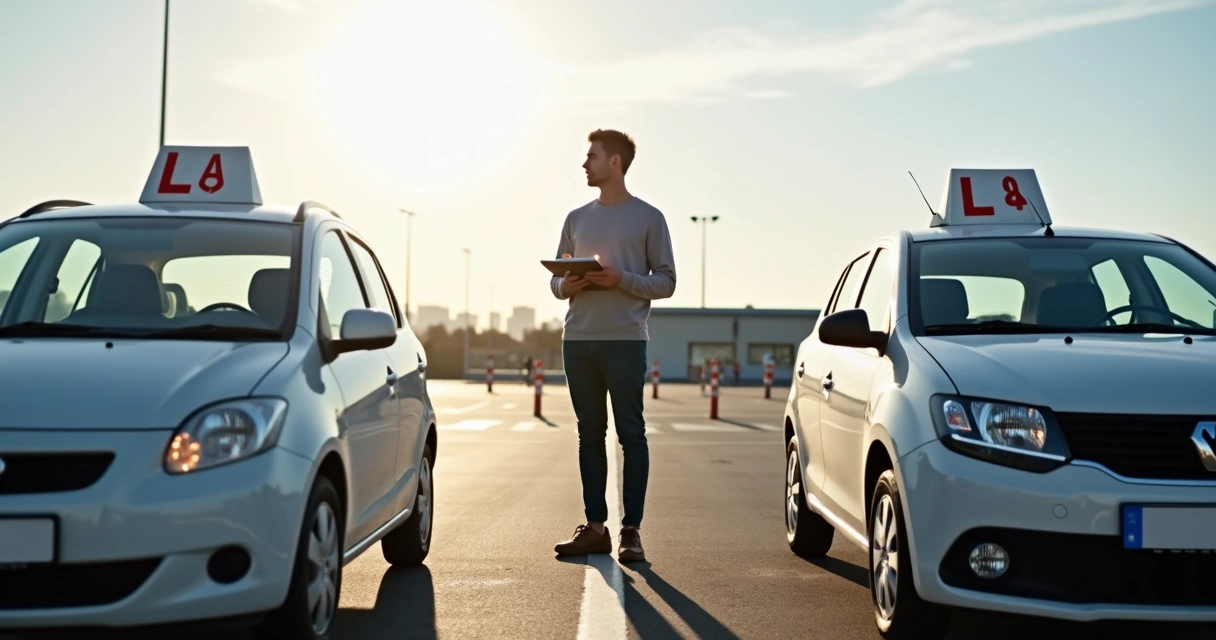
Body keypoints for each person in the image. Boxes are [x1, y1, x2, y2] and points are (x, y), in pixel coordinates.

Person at [550, 129, 676, 563]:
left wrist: (619, 279)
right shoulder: (575, 218)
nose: (585, 164)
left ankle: (631, 532)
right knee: (589, 435)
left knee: (631, 435)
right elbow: (554, 281)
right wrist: (567, 283)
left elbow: (667, 281)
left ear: (615, 163)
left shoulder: (649, 218)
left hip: (625, 342)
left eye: (592, 157)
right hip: (578, 342)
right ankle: (596, 528)